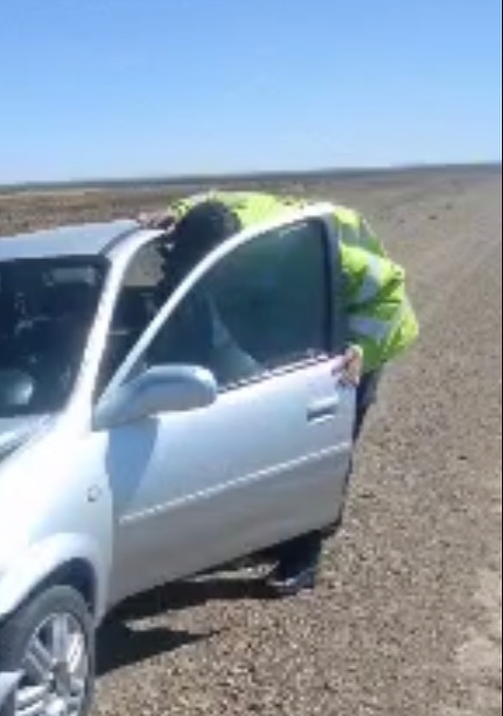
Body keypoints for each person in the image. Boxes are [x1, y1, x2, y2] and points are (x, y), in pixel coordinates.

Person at [140, 190, 420, 595]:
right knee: (267, 442)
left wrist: (362, 349)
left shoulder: (297, 252)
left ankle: (303, 557)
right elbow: (214, 196)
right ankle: (271, 534)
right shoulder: (229, 216)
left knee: (316, 450)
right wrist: (179, 211)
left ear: (231, 254)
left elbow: (389, 290)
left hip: (356, 342)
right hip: (293, 325)